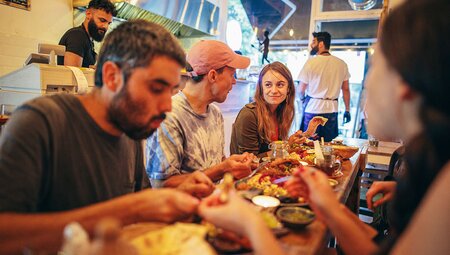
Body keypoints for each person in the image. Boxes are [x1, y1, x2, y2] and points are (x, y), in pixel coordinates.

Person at [200, 0, 450, 254]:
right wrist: (330, 206)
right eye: (268, 85)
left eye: (378, 66)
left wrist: (250, 222)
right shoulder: (432, 168)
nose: (367, 81)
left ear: (405, 86)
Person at [0, 20, 215, 254]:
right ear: (112, 76)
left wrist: (172, 197)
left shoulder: (129, 128)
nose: (167, 106)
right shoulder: (40, 123)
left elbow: (138, 209)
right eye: (156, 88)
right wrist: (132, 209)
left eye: (172, 91)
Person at [146, 40, 256, 188]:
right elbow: (162, 185)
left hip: (213, 203)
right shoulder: (169, 116)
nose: (234, 81)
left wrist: (233, 165)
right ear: (212, 76)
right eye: (232, 74)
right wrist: (222, 169)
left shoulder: (215, 113)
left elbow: (216, 163)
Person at [230, 61, 295, 157]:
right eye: (268, 85)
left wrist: (289, 143)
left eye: (280, 85)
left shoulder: (281, 111)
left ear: (288, 88)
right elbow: (249, 160)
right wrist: (285, 148)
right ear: (261, 88)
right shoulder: (249, 115)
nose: (274, 91)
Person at [298, 31, 351, 142]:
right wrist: (347, 110)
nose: (311, 45)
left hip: (312, 107)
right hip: (331, 109)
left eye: (313, 42)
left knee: (308, 143)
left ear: (321, 44)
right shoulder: (341, 64)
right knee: (327, 145)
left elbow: (301, 89)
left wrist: (303, 99)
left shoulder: (311, 63)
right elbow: (345, 89)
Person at [57, 0, 116, 67]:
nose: (105, 26)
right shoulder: (78, 35)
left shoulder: (88, 39)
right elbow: (73, 74)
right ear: (88, 14)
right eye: (102, 20)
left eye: (109, 23)